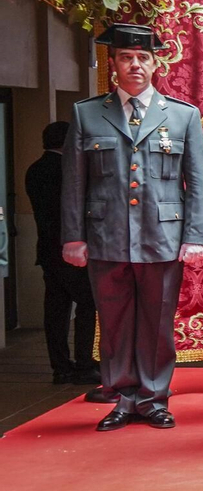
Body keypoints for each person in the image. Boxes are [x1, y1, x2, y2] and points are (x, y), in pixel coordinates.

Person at [60, 24, 203, 430]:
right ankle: (123, 397)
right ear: (114, 65)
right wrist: (73, 236)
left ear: (156, 64)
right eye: (127, 57)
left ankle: (154, 397)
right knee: (114, 322)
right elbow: (74, 182)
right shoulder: (87, 113)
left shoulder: (182, 115)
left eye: (143, 57)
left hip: (162, 238)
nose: (135, 65)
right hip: (106, 237)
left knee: (157, 322)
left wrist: (195, 236)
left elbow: (196, 182)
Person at [25, 122, 98, 385]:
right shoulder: (67, 170)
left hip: (47, 249)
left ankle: (60, 366)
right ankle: (84, 363)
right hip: (71, 248)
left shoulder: (34, 169)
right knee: (88, 304)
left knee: (55, 311)